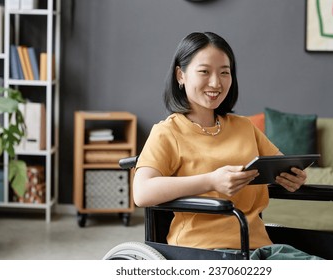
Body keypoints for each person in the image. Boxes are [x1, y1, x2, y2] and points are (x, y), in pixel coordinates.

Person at [133, 31, 322, 260]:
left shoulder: (244, 127)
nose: (216, 82)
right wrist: (211, 181)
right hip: (201, 251)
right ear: (180, 75)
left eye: (225, 72)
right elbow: (142, 193)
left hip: (259, 247)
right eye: (204, 71)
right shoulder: (167, 132)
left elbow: (280, 165)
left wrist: (294, 177)